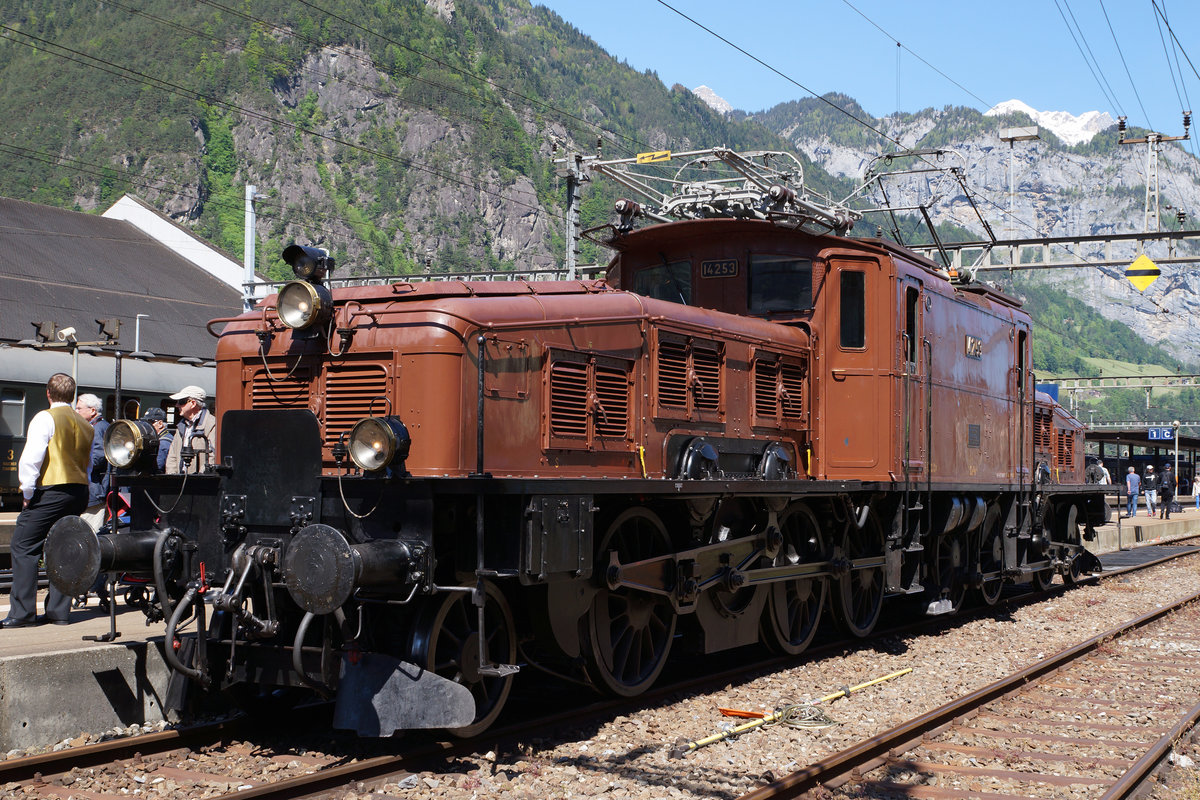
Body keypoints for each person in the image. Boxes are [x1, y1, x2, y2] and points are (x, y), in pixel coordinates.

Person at [4, 373, 93, 628]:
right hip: (79, 492)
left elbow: (32, 457)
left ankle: (22, 613)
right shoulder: (86, 424)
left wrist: (27, 492)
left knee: (24, 546)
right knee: (62, 548)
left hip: (51, 491)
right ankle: (59, 613)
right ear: (73, 395)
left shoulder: (45, 418)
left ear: (48, 393)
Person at [74, 393, 109, 531]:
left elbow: (97, 458)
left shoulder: (97, 429)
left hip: (95, 490)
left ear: (92, 410)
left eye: (79, 408)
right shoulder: (98, 427)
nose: (76, 412)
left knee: (89, 532)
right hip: (95, 489)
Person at [164, 385, 216, 475]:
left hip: (198, 484)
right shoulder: (181, 426)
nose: (177, 405)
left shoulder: (211, 424)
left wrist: (199, 477)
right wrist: (172, 476)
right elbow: (172, 455)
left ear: (193, 403)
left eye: (181, 402)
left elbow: (212, 456)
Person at [142, 407, 173, 472]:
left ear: (160, 424)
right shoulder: (165, 438)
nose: (146, 425)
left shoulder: (163, 443)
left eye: (150, 422)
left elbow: (157, 466)